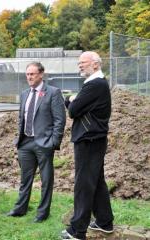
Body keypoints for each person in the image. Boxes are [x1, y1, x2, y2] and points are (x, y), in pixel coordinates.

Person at [61, 51, 114, 240]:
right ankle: (104, 222)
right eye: (79, 63)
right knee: (97, 181)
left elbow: (73, 111)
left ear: (96, 65)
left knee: (83, 184)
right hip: (94, 139)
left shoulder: (94, 84)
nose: (80, 65)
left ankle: (77, 231)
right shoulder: (96, 83)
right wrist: (74, 101)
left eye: (83, 62)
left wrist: (69, 100)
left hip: (89, 139)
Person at [7, 62, 66, 223]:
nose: (29, 77)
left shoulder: (53, 93)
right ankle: (20, 208)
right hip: (25, 143)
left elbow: (60, 120)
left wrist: (54, 142)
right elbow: (21, 118)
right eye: (27, 74)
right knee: (25, 179)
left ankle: (42, 213)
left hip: (44, 144)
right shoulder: (25, 94)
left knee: (46, 180)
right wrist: (18, 139)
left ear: (41, 74)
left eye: (32, 74)